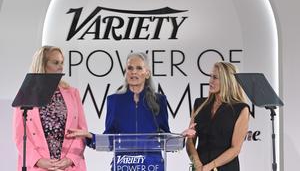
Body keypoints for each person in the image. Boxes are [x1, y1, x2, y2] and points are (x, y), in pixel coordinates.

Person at [67, 52, 195, 171]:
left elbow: (165, 137)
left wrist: (180, 137)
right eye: (130, 68)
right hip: (123, 165)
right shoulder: (114, 100)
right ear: (125, 72)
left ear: (147, 73)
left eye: (139, 68)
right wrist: (90, 136)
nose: (134, 72)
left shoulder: (159, 100)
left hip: (152, 165)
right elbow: (110, 140)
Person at [12, 46, 88, 171]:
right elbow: (19, 136)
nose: (61, 66)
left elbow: (82, 131)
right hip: (38, 166)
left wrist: (69, 159)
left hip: (69, 166)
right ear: (42, 64)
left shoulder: (73, 93)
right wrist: (39, 161)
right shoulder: (26, 94)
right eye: (56, 62)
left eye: (62, 62)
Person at [186, 62, 250, 171]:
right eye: (210, 76)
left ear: (227, 81)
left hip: (226, 168)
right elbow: (190, 140)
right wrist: (197, 163)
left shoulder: (241, 109)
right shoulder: (199, 104)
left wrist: (210, 166)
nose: (210, 81)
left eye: (215, 77)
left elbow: (235, 149)